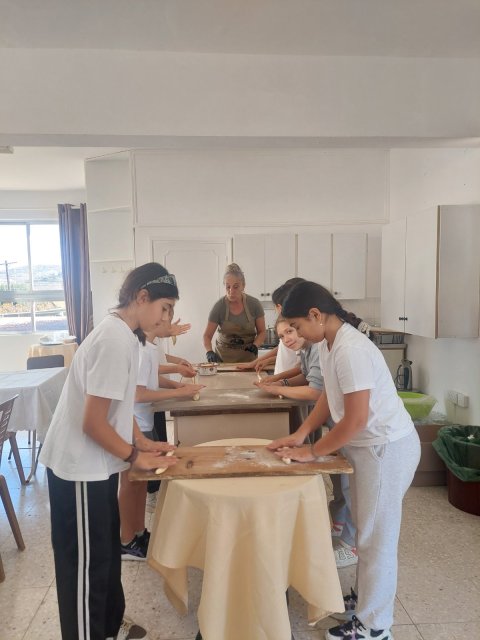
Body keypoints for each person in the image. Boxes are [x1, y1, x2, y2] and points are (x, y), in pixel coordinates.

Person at [267, 281, 420, 640]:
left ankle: (375, 626)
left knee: (376, 540)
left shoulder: (351, 349)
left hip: (385, 450)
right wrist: (302, 433)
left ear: (316, 315)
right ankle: (366, 602)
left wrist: (313, 452)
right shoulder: (329, 343)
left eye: (297, 326)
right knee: (367, 533)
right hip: (369, 449)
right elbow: (328, 397)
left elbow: (356, 420)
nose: (296, 334)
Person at [39, 262, 180, 640]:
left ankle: (108, 626)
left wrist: (141, 441)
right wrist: (135, 456)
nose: (167, 318)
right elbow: (93, 422)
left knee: (105, 554)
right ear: (142, 297)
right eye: (165, 308)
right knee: (86, 567)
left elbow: (117, 404)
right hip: (78, 469)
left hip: (98, 466)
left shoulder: (127, 336)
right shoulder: (114, 339)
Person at [119, 322, 204, 561]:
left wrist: (178, 385)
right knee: (130, 482)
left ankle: (138, 533)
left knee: (141, 482)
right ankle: (126, 540)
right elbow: (138, 394)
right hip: (134, 424)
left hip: (143, 421)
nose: (170, 321)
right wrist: (179, 392)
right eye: (165, 312)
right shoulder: (140, 348)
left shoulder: (147, 347)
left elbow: (151, 377)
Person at [236, 278, 303, 374]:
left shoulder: (299, 331)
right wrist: (260, 362)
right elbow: (282, 349)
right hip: (283, 379)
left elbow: (301, 369)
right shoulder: (289, 328)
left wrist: (280, 380)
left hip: (288, 381)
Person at [203, 263, 266, 363]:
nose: (231, 291)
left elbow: (262, 331)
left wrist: (255, 345)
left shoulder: (254, 304)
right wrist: (209, 351)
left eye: (235, 287)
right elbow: (207, 336)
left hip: (248, 360)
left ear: (243, 286)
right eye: (228, 287)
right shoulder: (219, 307)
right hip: (223, 359)